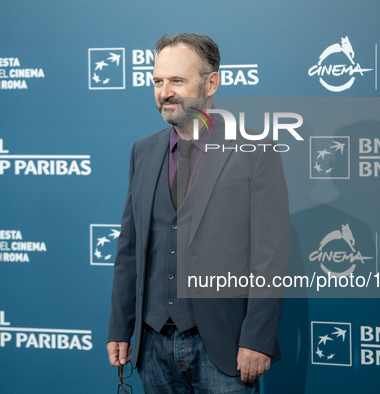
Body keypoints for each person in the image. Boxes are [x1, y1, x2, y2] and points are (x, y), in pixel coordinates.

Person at [107, 33, 290, 393]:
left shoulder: (255, 149)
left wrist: (258, 338)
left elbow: (271, 255)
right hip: (153, 343)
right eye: (158, 81)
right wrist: (119, 326)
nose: (165, 91)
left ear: (211, 82)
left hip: (224, 346)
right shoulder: (143, 152)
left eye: (177, 80)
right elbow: (129, 249)